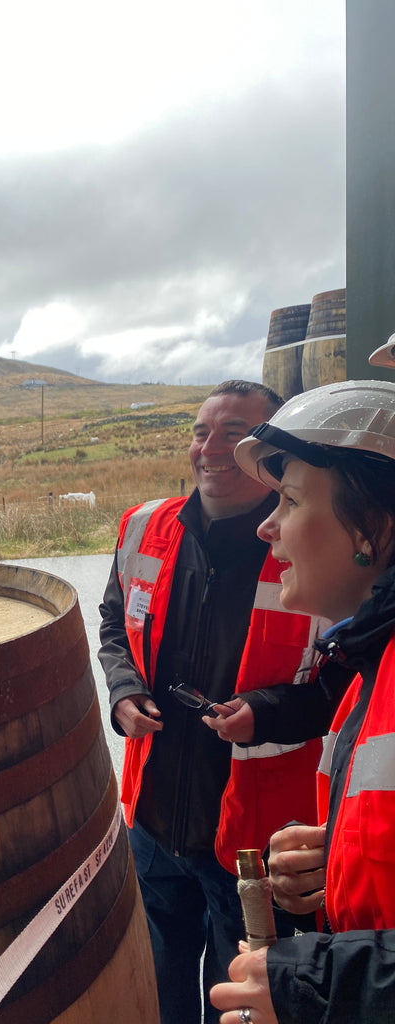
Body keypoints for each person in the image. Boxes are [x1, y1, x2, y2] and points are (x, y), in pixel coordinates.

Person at [98, 380, 336, 1024]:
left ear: (269, 451)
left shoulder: (310, 548)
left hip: (254, 840)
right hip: (151, 817)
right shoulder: (143, 526)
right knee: (162, 979)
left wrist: (263, 710)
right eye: (203, 433)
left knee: (241, 994)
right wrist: (122, 691)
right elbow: (115, 621)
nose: (212, 448)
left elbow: (343, 688)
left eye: (234, 434)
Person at [210, 376, 395, 1023]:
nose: (268, 527)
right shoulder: (368, 671)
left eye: (289, 500)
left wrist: (315, 985)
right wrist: (344, 854)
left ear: (371, 525)